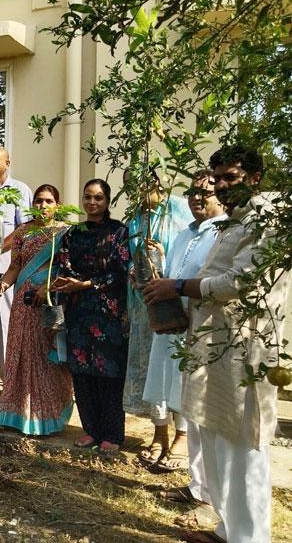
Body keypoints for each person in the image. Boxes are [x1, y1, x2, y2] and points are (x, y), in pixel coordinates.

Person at [143, 145, 289, 543]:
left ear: (255, 178)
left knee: (242, 445)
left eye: (231, 178)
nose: (222, 186)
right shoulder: (234, 223)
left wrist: (176, 286)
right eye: (218, 178)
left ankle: (249, 538)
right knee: (215, 436)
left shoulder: (266, 220)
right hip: (212, 345)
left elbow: (238, 284)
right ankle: (226, 529)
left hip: (244, 349)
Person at [141, 172, 225, 478]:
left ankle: (182, 437)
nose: (196, 198)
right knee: (163, 372)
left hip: (201, 321)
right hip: (171, 316)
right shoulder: (184, 233)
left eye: (205, 192)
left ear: (220, 195)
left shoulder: (222, 232)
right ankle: (160, 434)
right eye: (192, 192)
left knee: (187, 380)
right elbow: (173, 272)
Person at [51, 179, 129, 455]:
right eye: (88, 197)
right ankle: (90, 429)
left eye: (98, 198)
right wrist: (72, 283)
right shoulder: (74, 233)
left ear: (107, 201)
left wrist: (86, 284)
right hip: (78, 311)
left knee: (108, 373)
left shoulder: (119, 232)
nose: (92, 203)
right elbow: (63, 262)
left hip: (108, 313)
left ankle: (112, 433)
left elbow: (120, 270)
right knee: (82, 371)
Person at [0, 184, 74, 435]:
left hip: (47, 304)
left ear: (57, 205)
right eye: (39, 201)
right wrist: (1, 286)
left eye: (49, 201)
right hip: (21, 304)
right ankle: (16, 415)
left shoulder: (64, 232)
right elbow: (15, 267)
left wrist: (47, 287)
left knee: (45, 357)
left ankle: (46, 416)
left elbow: (67, 269)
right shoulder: (22, 233)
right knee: (20, 355)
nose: (43, 206)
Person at [124, 170, 194, 466]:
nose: (137, 191)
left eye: (141, 184)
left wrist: (162, 256)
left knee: (178, 365)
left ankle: (183, 434)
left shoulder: (178, 209)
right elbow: (132, 255)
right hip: (143, 304)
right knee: (152, 367)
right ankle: (159, 432)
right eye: (130, 187)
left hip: (174, 300)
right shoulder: (134, 219)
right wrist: (132, 267)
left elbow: (187, 251)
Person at [0, 147, 32, 363]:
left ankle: (9, 382)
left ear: (7, 163)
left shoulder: (19, 190)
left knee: (6, 322)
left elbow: (27, 226)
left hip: (6, 267)